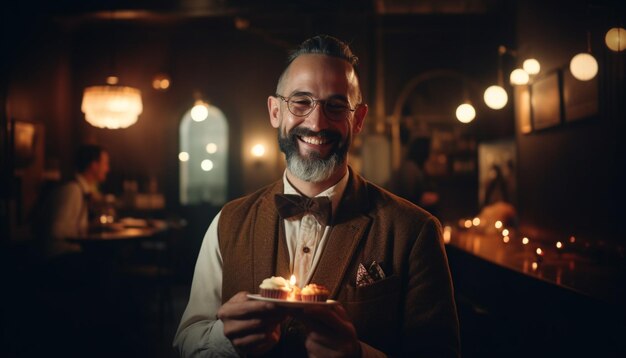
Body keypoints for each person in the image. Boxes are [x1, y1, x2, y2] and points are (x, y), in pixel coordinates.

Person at [174, 35, 460, 357]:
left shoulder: (415, 230)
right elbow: (187, 342)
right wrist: (223, 339)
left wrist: (357, 354)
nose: (316, 122)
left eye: (336, 106)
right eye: (300, 101)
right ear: (275, 111)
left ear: (359, 119)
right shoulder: (228, 222)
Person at [40, 144, 110, 257]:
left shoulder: (82, 190)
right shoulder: (72, 190)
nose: (108, 169)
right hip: (60, 258)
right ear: (94, 165)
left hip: (70, 255)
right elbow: (56, 231)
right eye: (105, 164)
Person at [396, 137, 440, 217]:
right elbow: (407, 198)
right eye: (429, 150)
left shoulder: (418, 167)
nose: (430, 153)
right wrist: (424, 199)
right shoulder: (410, 168)